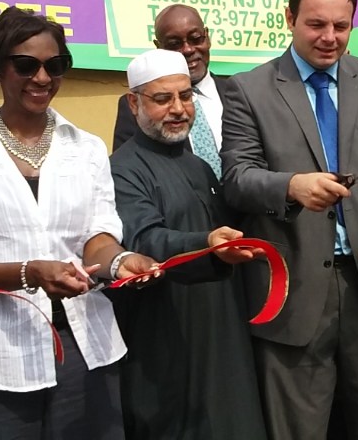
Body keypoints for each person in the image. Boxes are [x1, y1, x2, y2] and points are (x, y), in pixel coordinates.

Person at [0, 7, 159, 440]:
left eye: (56, 65)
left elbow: (98, 236)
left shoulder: (85, 148)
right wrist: (31, 273)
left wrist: (120, 262)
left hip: (84, 352)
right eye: (26, 65)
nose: (42, 78)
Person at [221, 0, 358, 438]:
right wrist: (291, 186)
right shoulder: (248, 90)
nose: (330, 37)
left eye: (341, 25)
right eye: (316, 24)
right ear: (289, 17)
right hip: (292, 291)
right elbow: (237, 178)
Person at [109, 48, 266, 439]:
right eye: (162, 99)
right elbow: (145, 238)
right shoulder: (122, 169)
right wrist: (207, 245)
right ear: (134, 103)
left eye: (185, 96)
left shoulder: (198, 166)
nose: (178, 108)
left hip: (225, 331)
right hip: (168, 334)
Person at [112, 4, 227, 176]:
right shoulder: (138, 106)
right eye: (174, 44)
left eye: (196, 39)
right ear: (159, 47)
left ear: (207, 37)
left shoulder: (238, 94)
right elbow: (130, 170)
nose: (188, 49)